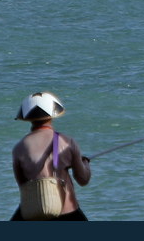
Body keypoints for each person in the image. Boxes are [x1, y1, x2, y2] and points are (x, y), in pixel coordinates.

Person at [11, 91, 92, 221]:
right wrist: (85, 164)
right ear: (52, 116)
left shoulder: (19, 148)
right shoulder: (67, 142)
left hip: (34, 212)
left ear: (28, 118)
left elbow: (22, 185)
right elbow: (83, 179)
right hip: (66, 213)